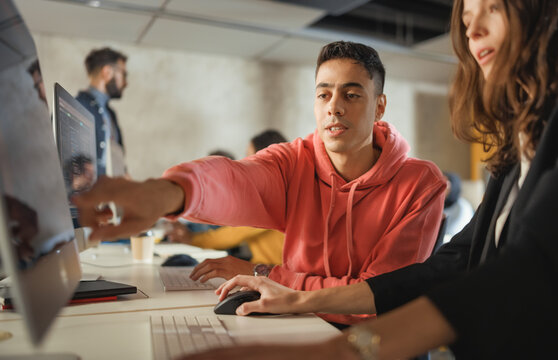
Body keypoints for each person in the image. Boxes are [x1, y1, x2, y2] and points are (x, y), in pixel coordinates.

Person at [180, 0, 558, 359]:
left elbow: (535, 267)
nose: (472, 30)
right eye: (467, 16)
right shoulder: (515, 150)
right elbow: (447, 268)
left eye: (493, 9)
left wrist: (339, 351)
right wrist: (293, 299)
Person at [73, 41, 447, 327]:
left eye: (351, 95)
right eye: (323, 94)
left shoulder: (421, 184)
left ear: (380, 106)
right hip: (303, 325)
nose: (334, 107)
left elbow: (375, 297)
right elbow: (236, 179)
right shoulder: (294, 161)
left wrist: (268, 276)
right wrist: (166, 192)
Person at [167, 130, 288, 265]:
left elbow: (232, 234)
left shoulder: (275, 196)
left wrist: (191, 239)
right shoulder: (276, 191)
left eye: (250, 157)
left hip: (273, 271)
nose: (245, 162)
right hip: (262, 266)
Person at [76, 47, 128, 177]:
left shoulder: (111, 114)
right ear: (107, 72)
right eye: (123, 74)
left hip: (111, 193)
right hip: (89, 195)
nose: (126, 83)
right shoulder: (76, 106)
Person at [442, 171, 474, 243]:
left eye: (446, 184)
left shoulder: (462, 207)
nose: (441, 187)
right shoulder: (438, 206)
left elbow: (451, 235)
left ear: (453, 187)